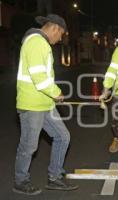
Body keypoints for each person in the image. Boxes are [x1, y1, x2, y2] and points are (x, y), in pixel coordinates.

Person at [13, 14, 78, 195]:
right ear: (55, 28)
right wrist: (56, 92)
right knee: (29, 146)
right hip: (32, 104)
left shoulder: (41, 43)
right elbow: (39, 76)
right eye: (61, 35)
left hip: (45, 104)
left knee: (63, 136)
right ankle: (21, 181)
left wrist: (52, 97)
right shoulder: (36, 42)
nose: (60, 39)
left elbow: (43, 77)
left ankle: (55, 177)